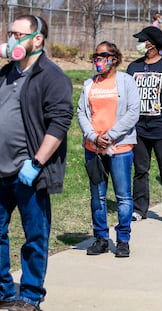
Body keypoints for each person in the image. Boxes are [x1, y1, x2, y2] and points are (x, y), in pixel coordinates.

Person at [0, 15, 73, 311]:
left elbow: (59, 122)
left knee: (35, 236)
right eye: (10, 33)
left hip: (29, 172)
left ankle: (30, 296)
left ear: (38, 38)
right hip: (0, 170)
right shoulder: (6, 73)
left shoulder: (52, 76)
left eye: (19, 34)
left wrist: (37, 161)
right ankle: (4, 291)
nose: (12, 39)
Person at [78, 41, 140, 258]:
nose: (98, 60)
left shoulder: (126, 82)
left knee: (123, 196)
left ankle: (123, 240)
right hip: (93, 149)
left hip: (120, 148)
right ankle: (101, 238)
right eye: (96, 56)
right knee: (98, 197)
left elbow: (133, 112)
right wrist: (94, 137)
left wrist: (110, 136)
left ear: (114, 58)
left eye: (102, 56)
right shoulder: (89, 84)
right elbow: (82, 114)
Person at [127, 26, 162, 223]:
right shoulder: (133, 67)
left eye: (142, 40)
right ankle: (139, 208)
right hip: (139, 129)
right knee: (140, 170)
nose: (139, 44)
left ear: (152, 44)